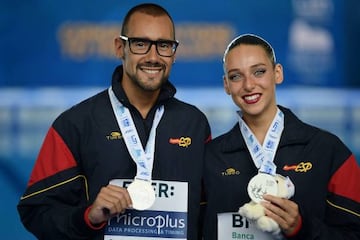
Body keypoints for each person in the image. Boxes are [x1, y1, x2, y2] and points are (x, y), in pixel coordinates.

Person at [17, 3, 211, 240]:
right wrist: (88, 218)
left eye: (164, 45)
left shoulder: (194, 124)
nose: (153, 57)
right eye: (140, 44)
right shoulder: (75, 124)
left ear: (174, 53)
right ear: (121, 47)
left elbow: (209, 213)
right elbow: (36, 213)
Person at [202, 34, 360, 240]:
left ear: (277, 73)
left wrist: (301, 228)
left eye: (259, 72)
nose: (248, 85)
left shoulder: (328, 151)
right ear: (226, 85)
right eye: (235, 76)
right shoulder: (210, 157)